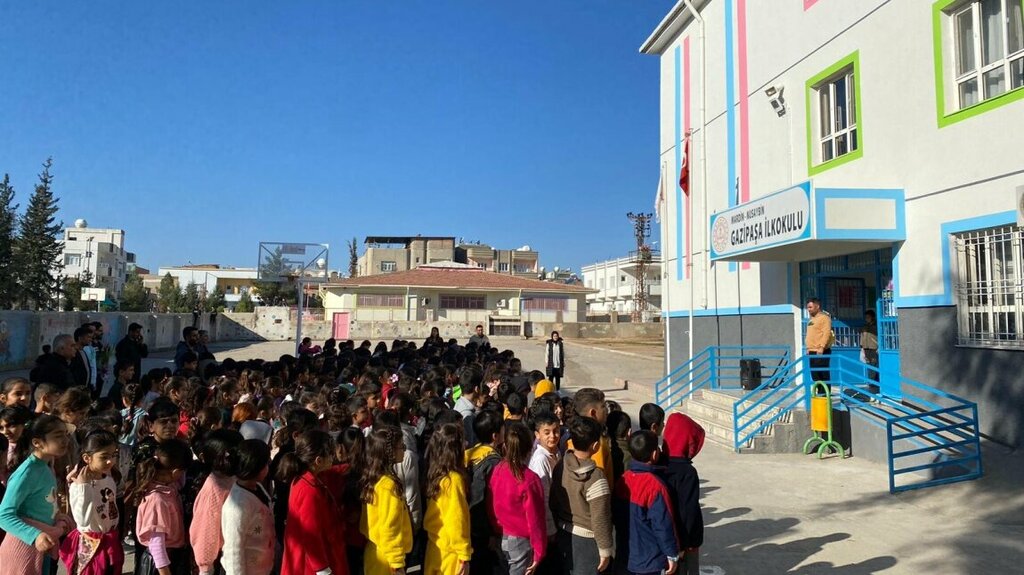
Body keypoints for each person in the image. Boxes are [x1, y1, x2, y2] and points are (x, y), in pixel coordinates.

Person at [0, 414, 73, 575]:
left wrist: (58, 518)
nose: (65, 441)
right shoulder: (26, 473)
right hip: (22, 549)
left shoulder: (46, 466)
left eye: (65, 435)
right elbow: (3, 515)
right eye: (58, 436)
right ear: (37, 443)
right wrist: (35, 536)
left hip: (41, 547)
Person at [549, 416, 614, 575]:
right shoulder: (596, 478)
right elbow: (601, 519)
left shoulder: (561, 466)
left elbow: (553, 501)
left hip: (564, 534)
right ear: (596, 446)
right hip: (588, 542)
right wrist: (605, 550)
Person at [279, 429, 349, 575]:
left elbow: (333, 471)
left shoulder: (306, 477)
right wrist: (322, 569)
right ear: (318, 461)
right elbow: (311, 535)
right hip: (310, 565)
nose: (333, 457)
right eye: (330, 454)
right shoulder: (309, 491)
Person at [59, 430, 125, 575]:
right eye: (104, 457)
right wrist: (84, 488)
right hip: (92, 545)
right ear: (87, 458)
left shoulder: (108, 479)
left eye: (113, 455)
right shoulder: (79, 486)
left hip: (110, 540)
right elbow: (82, 520)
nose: (110, 461)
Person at [613, 430, 679, 575]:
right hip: (651, 560)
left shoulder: (623, 480)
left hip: (626, 554)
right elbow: (663, 525)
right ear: (655, 454)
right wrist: (671, 554)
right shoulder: (655, 486)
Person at [489, 421, 547, 575]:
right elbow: (535, 518)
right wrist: (539, 550)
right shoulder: (529, 479)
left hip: (502, 534)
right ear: (529, 449)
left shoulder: (498, 469)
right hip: (520, 540)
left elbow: (492, 502)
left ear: (506, 446)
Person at [128, 438, 192, 575]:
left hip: (169, 558)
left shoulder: (169, 487)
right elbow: (156, 545)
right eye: (183, 471)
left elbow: (181, 481)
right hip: (160, 565)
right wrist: (165, 572)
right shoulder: (158, 501)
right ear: (175, 472)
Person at [190, 429, 244, 575]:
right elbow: (205, 531)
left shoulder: (233, 479)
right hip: (223, 561)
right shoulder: (214, 489)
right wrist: (206, 568)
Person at [361, 427, 412, 575]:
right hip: (387, 559)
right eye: (401, 446)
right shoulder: (388, 486)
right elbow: (390, 527)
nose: (404, 449)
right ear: (389, 452)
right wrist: (397, 563)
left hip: (375, 552)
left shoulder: (373, 479)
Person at [423, 423, 472, 575]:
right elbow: (457, 520)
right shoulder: (454, 480)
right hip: (452, 554)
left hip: (435, 547)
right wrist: (464, 555)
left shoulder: (434, 474)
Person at [221, 439, 275, 575]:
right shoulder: (238, 506)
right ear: (256, 467)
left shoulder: (257, 488)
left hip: (263, 567)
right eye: (266, 463)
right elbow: (233, 548)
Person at [660, 413, 705, 575]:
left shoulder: (658, 463)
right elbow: (689, 510)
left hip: (662, 538)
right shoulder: (687, 472)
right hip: (685, 542)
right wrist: (687, 543)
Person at [464, 410, 502, 575]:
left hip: (468, 523)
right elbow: (486, 500)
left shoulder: (471, 453)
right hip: (481, 530)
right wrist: (491, 533)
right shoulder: (492, 462)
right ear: (495, 435)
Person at [805, 297, 832, 386]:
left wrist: (822, 347)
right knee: (814, 374)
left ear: (817, 306)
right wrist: (808, 348)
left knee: (822, 373)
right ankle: (819, 393)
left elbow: (826, 333)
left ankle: (825, 394)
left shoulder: (824, 318)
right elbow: (811, 334)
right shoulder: (811, 319)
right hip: (812, 350)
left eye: (810, 307)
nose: (808, 309)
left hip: (821, 350)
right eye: (808, 307)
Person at [71, 325, 97, 392]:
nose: (90, 339)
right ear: (80, 338)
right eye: (88, 337)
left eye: (91, 337)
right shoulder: (73, 354)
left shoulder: (83, 351)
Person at [861, 310, 880, 394]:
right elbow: (862, 336)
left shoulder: (877, 325)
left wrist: (879, 347)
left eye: (868, 317)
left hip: (874, 348)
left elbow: (881, 336)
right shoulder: (865, 326)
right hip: (866, 348)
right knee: (869, 366)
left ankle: (875, 384)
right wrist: (862, 347)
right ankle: (871, 383)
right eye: (866, 317)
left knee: (874, 365)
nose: (867, 319)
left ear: (872, 317)